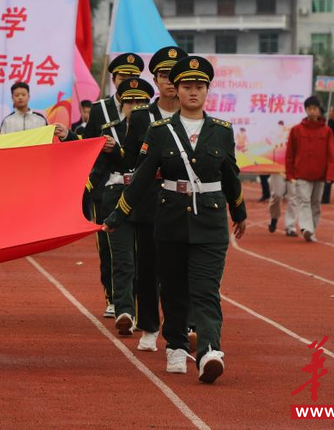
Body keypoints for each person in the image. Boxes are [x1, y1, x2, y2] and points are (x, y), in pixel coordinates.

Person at [104, 56, 246, 384]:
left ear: (208, 91)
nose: (193, 91)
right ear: (177, 91)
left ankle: (210, 349)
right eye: (187, 86)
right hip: (168, 218)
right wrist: (117, 215)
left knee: (206, 288)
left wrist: (239, 212)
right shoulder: (159, 131)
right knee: (172, 288)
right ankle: (177, 346)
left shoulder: (221, 131)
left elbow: (230, 175)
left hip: (210, 221)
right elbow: (140, 179)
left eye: (199, 86)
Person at [118, 45, 186, 351]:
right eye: (163, 75)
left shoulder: (195, 117)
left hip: (184, 204)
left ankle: (182, 327)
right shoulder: (142, 116)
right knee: (147, 268)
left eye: (174, 75)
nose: (169, 81)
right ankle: (148, 326)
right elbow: (130, 160)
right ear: (155, 80)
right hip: (149, 202)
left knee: (180, 269)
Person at [89, 76, 155, 336]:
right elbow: (91, 157)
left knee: (146, 258)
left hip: (147, 196)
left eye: (140, 101)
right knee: (121, 257)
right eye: (129, 102)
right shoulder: (109, 130)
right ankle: (124, 309)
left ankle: (144, 311)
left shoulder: (157, 130)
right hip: (115, 193)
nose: (134, 106)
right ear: (121, 104)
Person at [284, 97, 334, 242]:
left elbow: (332, 155)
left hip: (320, 175)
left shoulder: (326, 131)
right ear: (305, 110)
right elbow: (290, 154)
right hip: (301, 174)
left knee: (315, 204)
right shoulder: (296, 130)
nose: (312, 111)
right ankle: (307, 228)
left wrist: (330, 175)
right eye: (309, 108)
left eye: (315, 108)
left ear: (319, 110)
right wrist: (290, 174)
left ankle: (311, 230)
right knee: (304, 201)